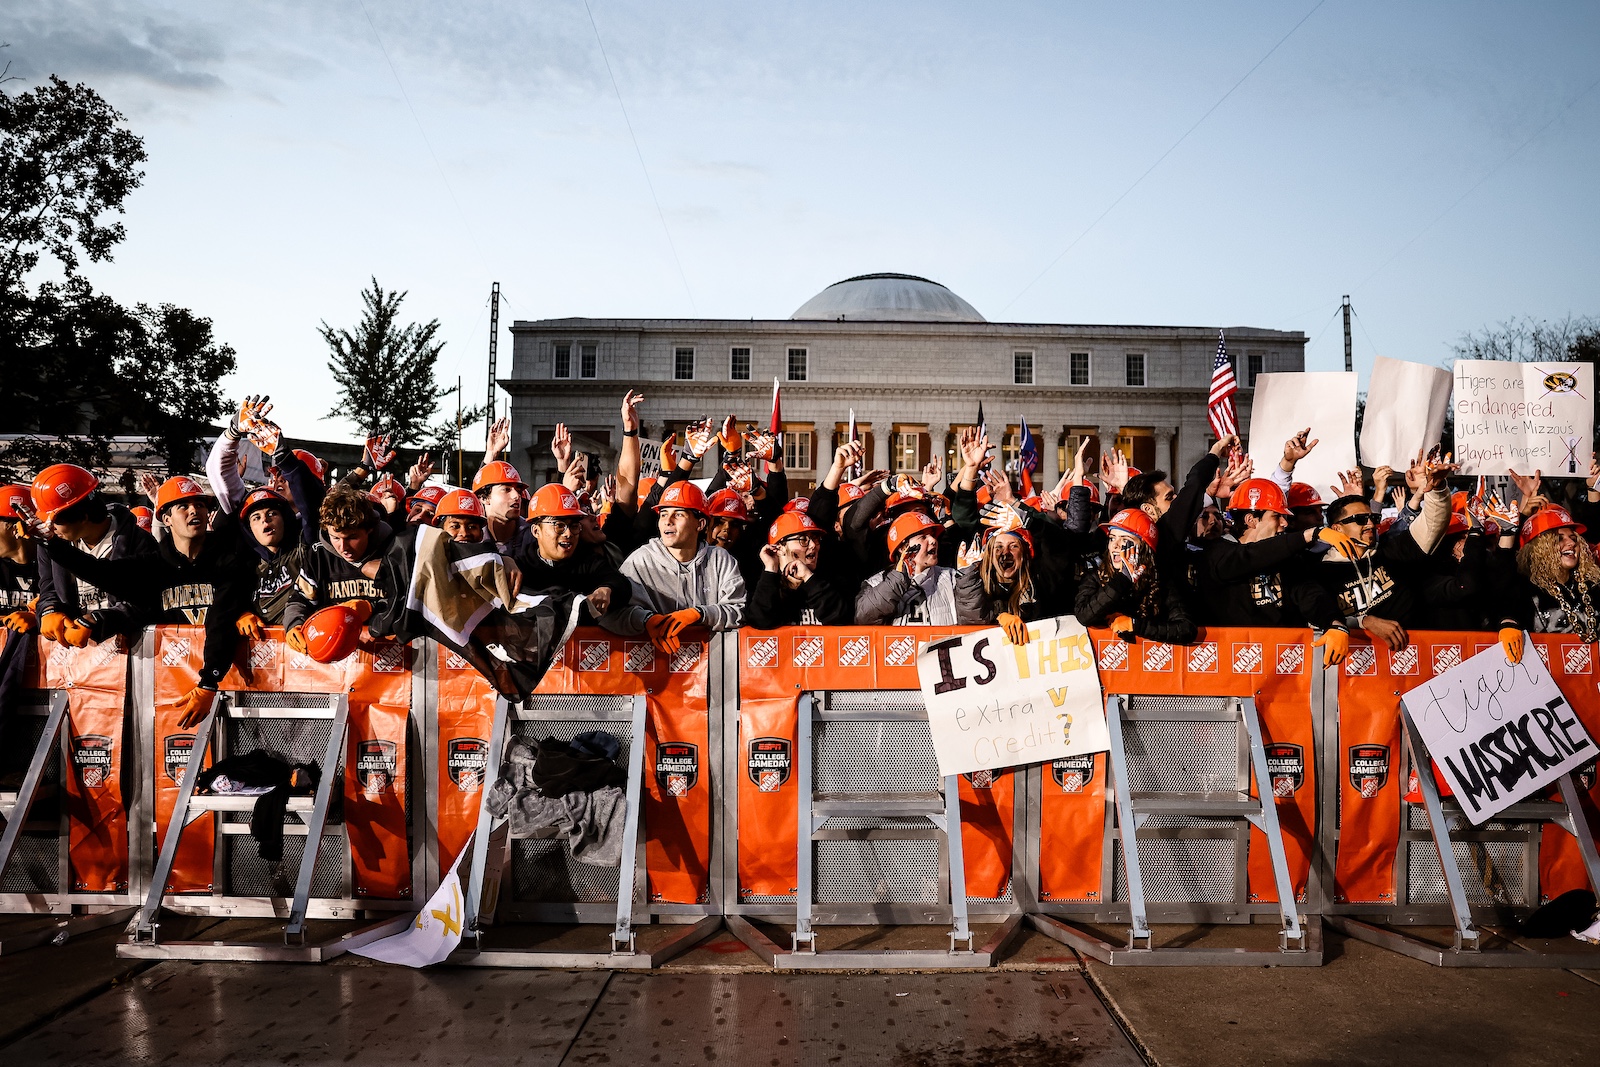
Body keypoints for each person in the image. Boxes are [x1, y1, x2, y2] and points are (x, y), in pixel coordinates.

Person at [34, 475, 255, 723]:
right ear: (166, 519)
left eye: (201, 505)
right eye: (184, 506)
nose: (195, 511)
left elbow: (221, 619)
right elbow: (104, 574)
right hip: (169, 684)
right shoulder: (154, 564)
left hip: (230, 682)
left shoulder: (229, 560)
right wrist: (51, 543)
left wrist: (210, 681)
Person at [1305, 449, 1456, 652]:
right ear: (1337, 529)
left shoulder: (1390, 551)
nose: (1369, 524)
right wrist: (1364, 621)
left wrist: (1435, 490)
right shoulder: (1319, 570)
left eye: (1373, 518)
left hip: (1412, 664)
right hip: (1353, 670)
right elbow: (1313, 619)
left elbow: (1433, 525)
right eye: (1359, 520)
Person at [1194, 478, 1348, 658]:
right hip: (1233, 664)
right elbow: (1247, 558)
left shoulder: (1286, 556)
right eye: (1277, 516)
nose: (1284, 523)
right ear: (1251, 520)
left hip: (1284, 663)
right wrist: (1307, 536)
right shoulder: (1216, 553)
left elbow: (1309, 594)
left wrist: (1334, 622)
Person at [30, 463, 157, 648]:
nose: (50, 528)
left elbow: (146, 602)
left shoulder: (138, 541)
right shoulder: (51, 543)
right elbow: (48, 589)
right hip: (73, 661)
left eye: (55, 520)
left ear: (83, 516)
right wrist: (49, 610)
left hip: (130, 654)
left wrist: (101, 620)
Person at [616, 481, 746, 651]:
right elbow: (613, 612)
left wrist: (700, 614)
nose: (667, 521)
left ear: (700, 524)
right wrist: (646, 620)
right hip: (655, 668)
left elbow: (738, 611)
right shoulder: (640, 560)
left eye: (678, 514)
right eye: (663, 514)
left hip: (709, 668)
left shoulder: (720, 559)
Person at [281, 485, 411, 654]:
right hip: (333, 663)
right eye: (335, 537)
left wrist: (372, 608)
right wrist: (294, 624)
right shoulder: (318, 555)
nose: (343, 547)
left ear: (369, 529)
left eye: (352, 537)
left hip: (392, 658)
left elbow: (410, 603)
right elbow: (300, 599)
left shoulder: (395, 551)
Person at [510, 484, 631, 623]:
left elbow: (621, 583)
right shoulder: (519, 568)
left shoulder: (587, 560)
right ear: (536, 531)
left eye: (574, 526)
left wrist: (607, 589)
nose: (568, 534)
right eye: (559, 526)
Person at [1074, 508, 1196, 644]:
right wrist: (1121, 581)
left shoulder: (1162, 580)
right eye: (1112, 538)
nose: (1115, 545)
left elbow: (1186, 629)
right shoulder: (1095, 577)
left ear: (1144, 548)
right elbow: (1084, 616)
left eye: (1125, 540)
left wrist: (1136, 625)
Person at [1512, 504, 1600, 645]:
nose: (1571, 543)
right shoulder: (1523, 589)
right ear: (1538, 549)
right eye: (1559, 538)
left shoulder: (1594, 584)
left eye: (1573, 538)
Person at [747, 511, 852, 627]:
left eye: (815, 538)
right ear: (780, 548)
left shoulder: (831, 578)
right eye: (803, 539)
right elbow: (759, 622)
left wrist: (809, 578)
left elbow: (841, 619)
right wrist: (770, 569)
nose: (813, 545)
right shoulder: (765, 583)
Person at [856, 512, 959, 625]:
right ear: (903, 547)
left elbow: (973, 620)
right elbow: (863, 617)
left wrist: (969, 579)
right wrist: (897, 581)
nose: (933, 541)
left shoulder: (951, 577)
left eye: (933, 535)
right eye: (923, 537)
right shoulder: (875, 582)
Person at [474, 460, 530, 552]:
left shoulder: (535, 536)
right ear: (484, 498)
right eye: (506, 489)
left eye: (518, 490)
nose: (516, 496)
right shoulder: (472, 537)